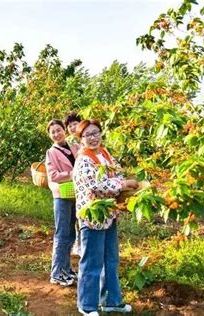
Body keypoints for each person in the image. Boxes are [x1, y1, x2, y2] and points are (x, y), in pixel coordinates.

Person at [73, 119, 137, 316]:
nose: (93, 138)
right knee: (92, 262)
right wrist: (124, 183)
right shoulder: (84, 159)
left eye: (96, 133)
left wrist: (119, 180)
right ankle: (87, 305)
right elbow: (97, 185)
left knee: (111, 260)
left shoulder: (104, 154)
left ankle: (112, 301)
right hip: (93, 216)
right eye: (88, 135)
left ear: (101, 133)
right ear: (81, 139)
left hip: (109, 213)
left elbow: (116, 173)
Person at [45, 119, 80, 287]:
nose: (57, 134)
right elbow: (53, 175)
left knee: (71, 233)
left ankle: (66, 269)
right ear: (50, 136)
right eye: (53, 132)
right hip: (61, 195)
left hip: (75, 194)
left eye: (58, 130)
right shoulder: (51, 152)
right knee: (62, 234)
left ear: (64, 130)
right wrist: (71, 174)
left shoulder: (74, 146)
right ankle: (56, 273)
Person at [63, 111, 82, 256]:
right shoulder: (70, 141)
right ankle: (77, 244)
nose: (72, 127)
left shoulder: (86, 137)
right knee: (77, 214)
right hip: (76, 178)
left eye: (74, 124)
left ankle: (81, 243)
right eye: (69, 126)